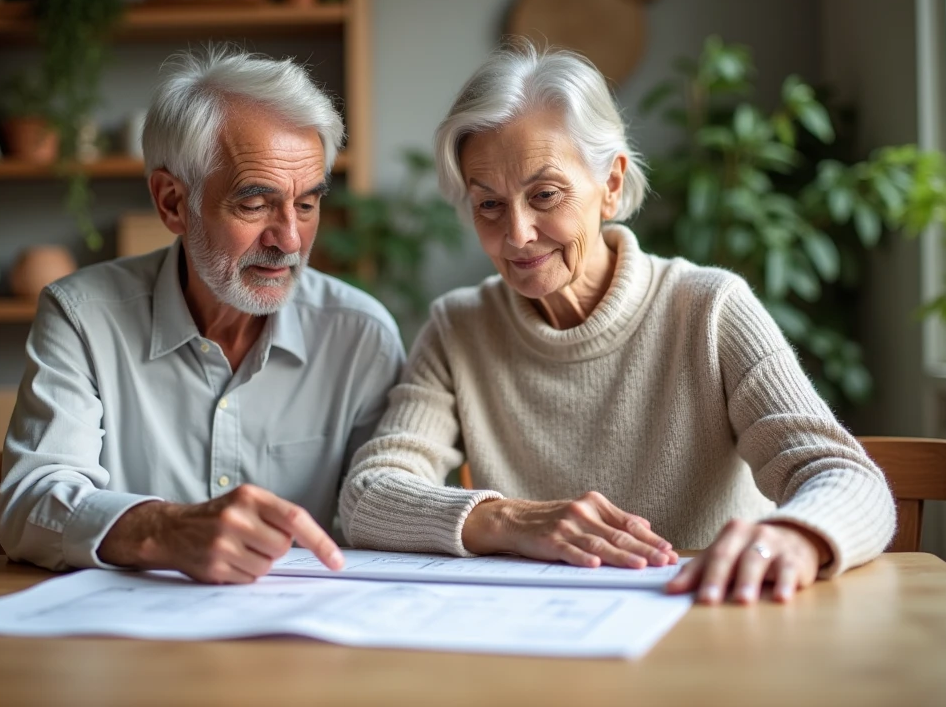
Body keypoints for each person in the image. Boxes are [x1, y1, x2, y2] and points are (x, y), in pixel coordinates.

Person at [340, 41, 895, 604]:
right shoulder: (458, 327)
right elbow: (369, 496)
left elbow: (846, 477)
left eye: (545, 194)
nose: (518, 234)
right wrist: (513, 519)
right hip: (540, 633)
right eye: (489, 205)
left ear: (610, 184)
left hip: (705, 619)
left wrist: (793, 536)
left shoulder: (709, 308)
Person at [0, 45, 405, 584]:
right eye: (254, 204)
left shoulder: (361, 335)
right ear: (171, 203)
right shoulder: (82, 317)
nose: (288, 240)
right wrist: (165, 529)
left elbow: (388, 512)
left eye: (306, 204)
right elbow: (31, 501)